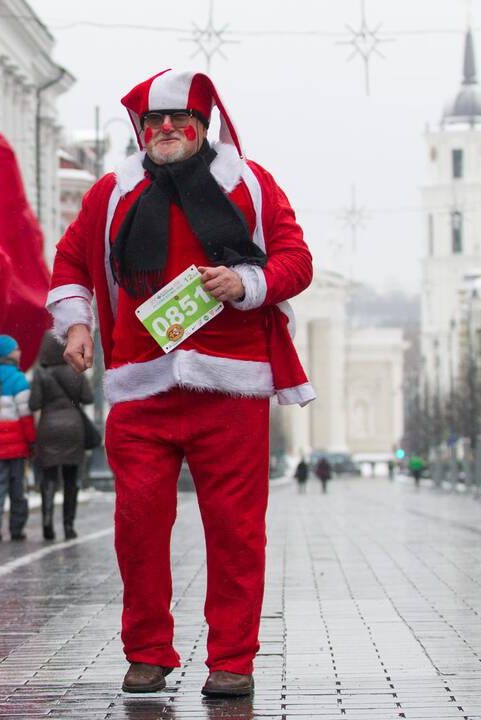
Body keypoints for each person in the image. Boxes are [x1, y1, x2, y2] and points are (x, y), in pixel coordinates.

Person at [46, 69, 313, 697]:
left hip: (232, 389)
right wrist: (77, 325)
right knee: (137, 524)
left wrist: (245, 283)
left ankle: (231, 661)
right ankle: (147, 652)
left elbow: (296, 260)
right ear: (141, 130)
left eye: (179, 120)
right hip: (142, 391)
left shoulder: (248, 184)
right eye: (153, 122)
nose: (165, 130)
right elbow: (72, 261)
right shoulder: (113, 192)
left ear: (202, 126)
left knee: (236, 531)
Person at [29, 332, 94, 541]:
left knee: (48, 478)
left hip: (48, 429)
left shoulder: (41, 374)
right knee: (70, 479)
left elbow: (34, 404)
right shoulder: (76, 371)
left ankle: (47, 522)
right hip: (73, 428)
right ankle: (68, 526)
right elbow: (88, 398)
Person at [0, 335, 35, 542]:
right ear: (8, 353)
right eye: (16, 348)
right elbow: (26, 416)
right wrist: (32, 441)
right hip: (17, 445)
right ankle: (17, 529)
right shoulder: (19, 380)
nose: (20, 352)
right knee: (18, 488)